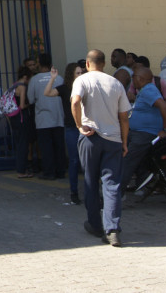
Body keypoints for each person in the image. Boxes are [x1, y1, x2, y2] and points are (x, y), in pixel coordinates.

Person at [71, 49, 130, 248]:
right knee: (111, 184)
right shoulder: (116, 83)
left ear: (88, 64)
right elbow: (124, 117)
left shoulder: (82, 81)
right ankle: (112, 230)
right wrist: (124, 142)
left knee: (90, 181)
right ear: (104, 64)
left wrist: (79, 125)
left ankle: (95, 224)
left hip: (90, 137)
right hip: (113, 139)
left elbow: (76, 101)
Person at [121, 66, 166, 191]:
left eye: (133, 77)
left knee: (127, 161)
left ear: (140, 79)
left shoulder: (148, 90)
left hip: (144, 134)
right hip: (138, 132)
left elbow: (165, 107)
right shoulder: (144, 90)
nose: (132, 80)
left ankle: (116, 194)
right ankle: (143, 179)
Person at [45, 60, 86, 204]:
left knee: (87, 162)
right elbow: (47, 93)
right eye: (78, 73)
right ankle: (74, 192)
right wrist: (52, 78)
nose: (80, 75)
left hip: (86, 128)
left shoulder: (85, 87)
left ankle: (90, 192)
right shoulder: (64, 89)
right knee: (74, 161)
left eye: (82, 72)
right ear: (71, 74)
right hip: (71, 128)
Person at [26, 53, 66, 181]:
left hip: (43, 119)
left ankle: (49, 172)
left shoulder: (35, 79)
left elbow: (30, 99)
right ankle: (60, 170)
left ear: (39, 63)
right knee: (59, 146)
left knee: (46, 147)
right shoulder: (59, 78)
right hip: (59, 117)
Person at [8, 65, 34, 178]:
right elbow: (22, 105)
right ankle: (21, 170)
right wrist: (31, 104)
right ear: (25, 77)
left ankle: (20, 169)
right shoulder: (22, 87)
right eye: (28, 78)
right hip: (21, 118)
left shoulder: (14, 85)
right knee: (23, 145)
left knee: (19, 144)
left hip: (14, 118)